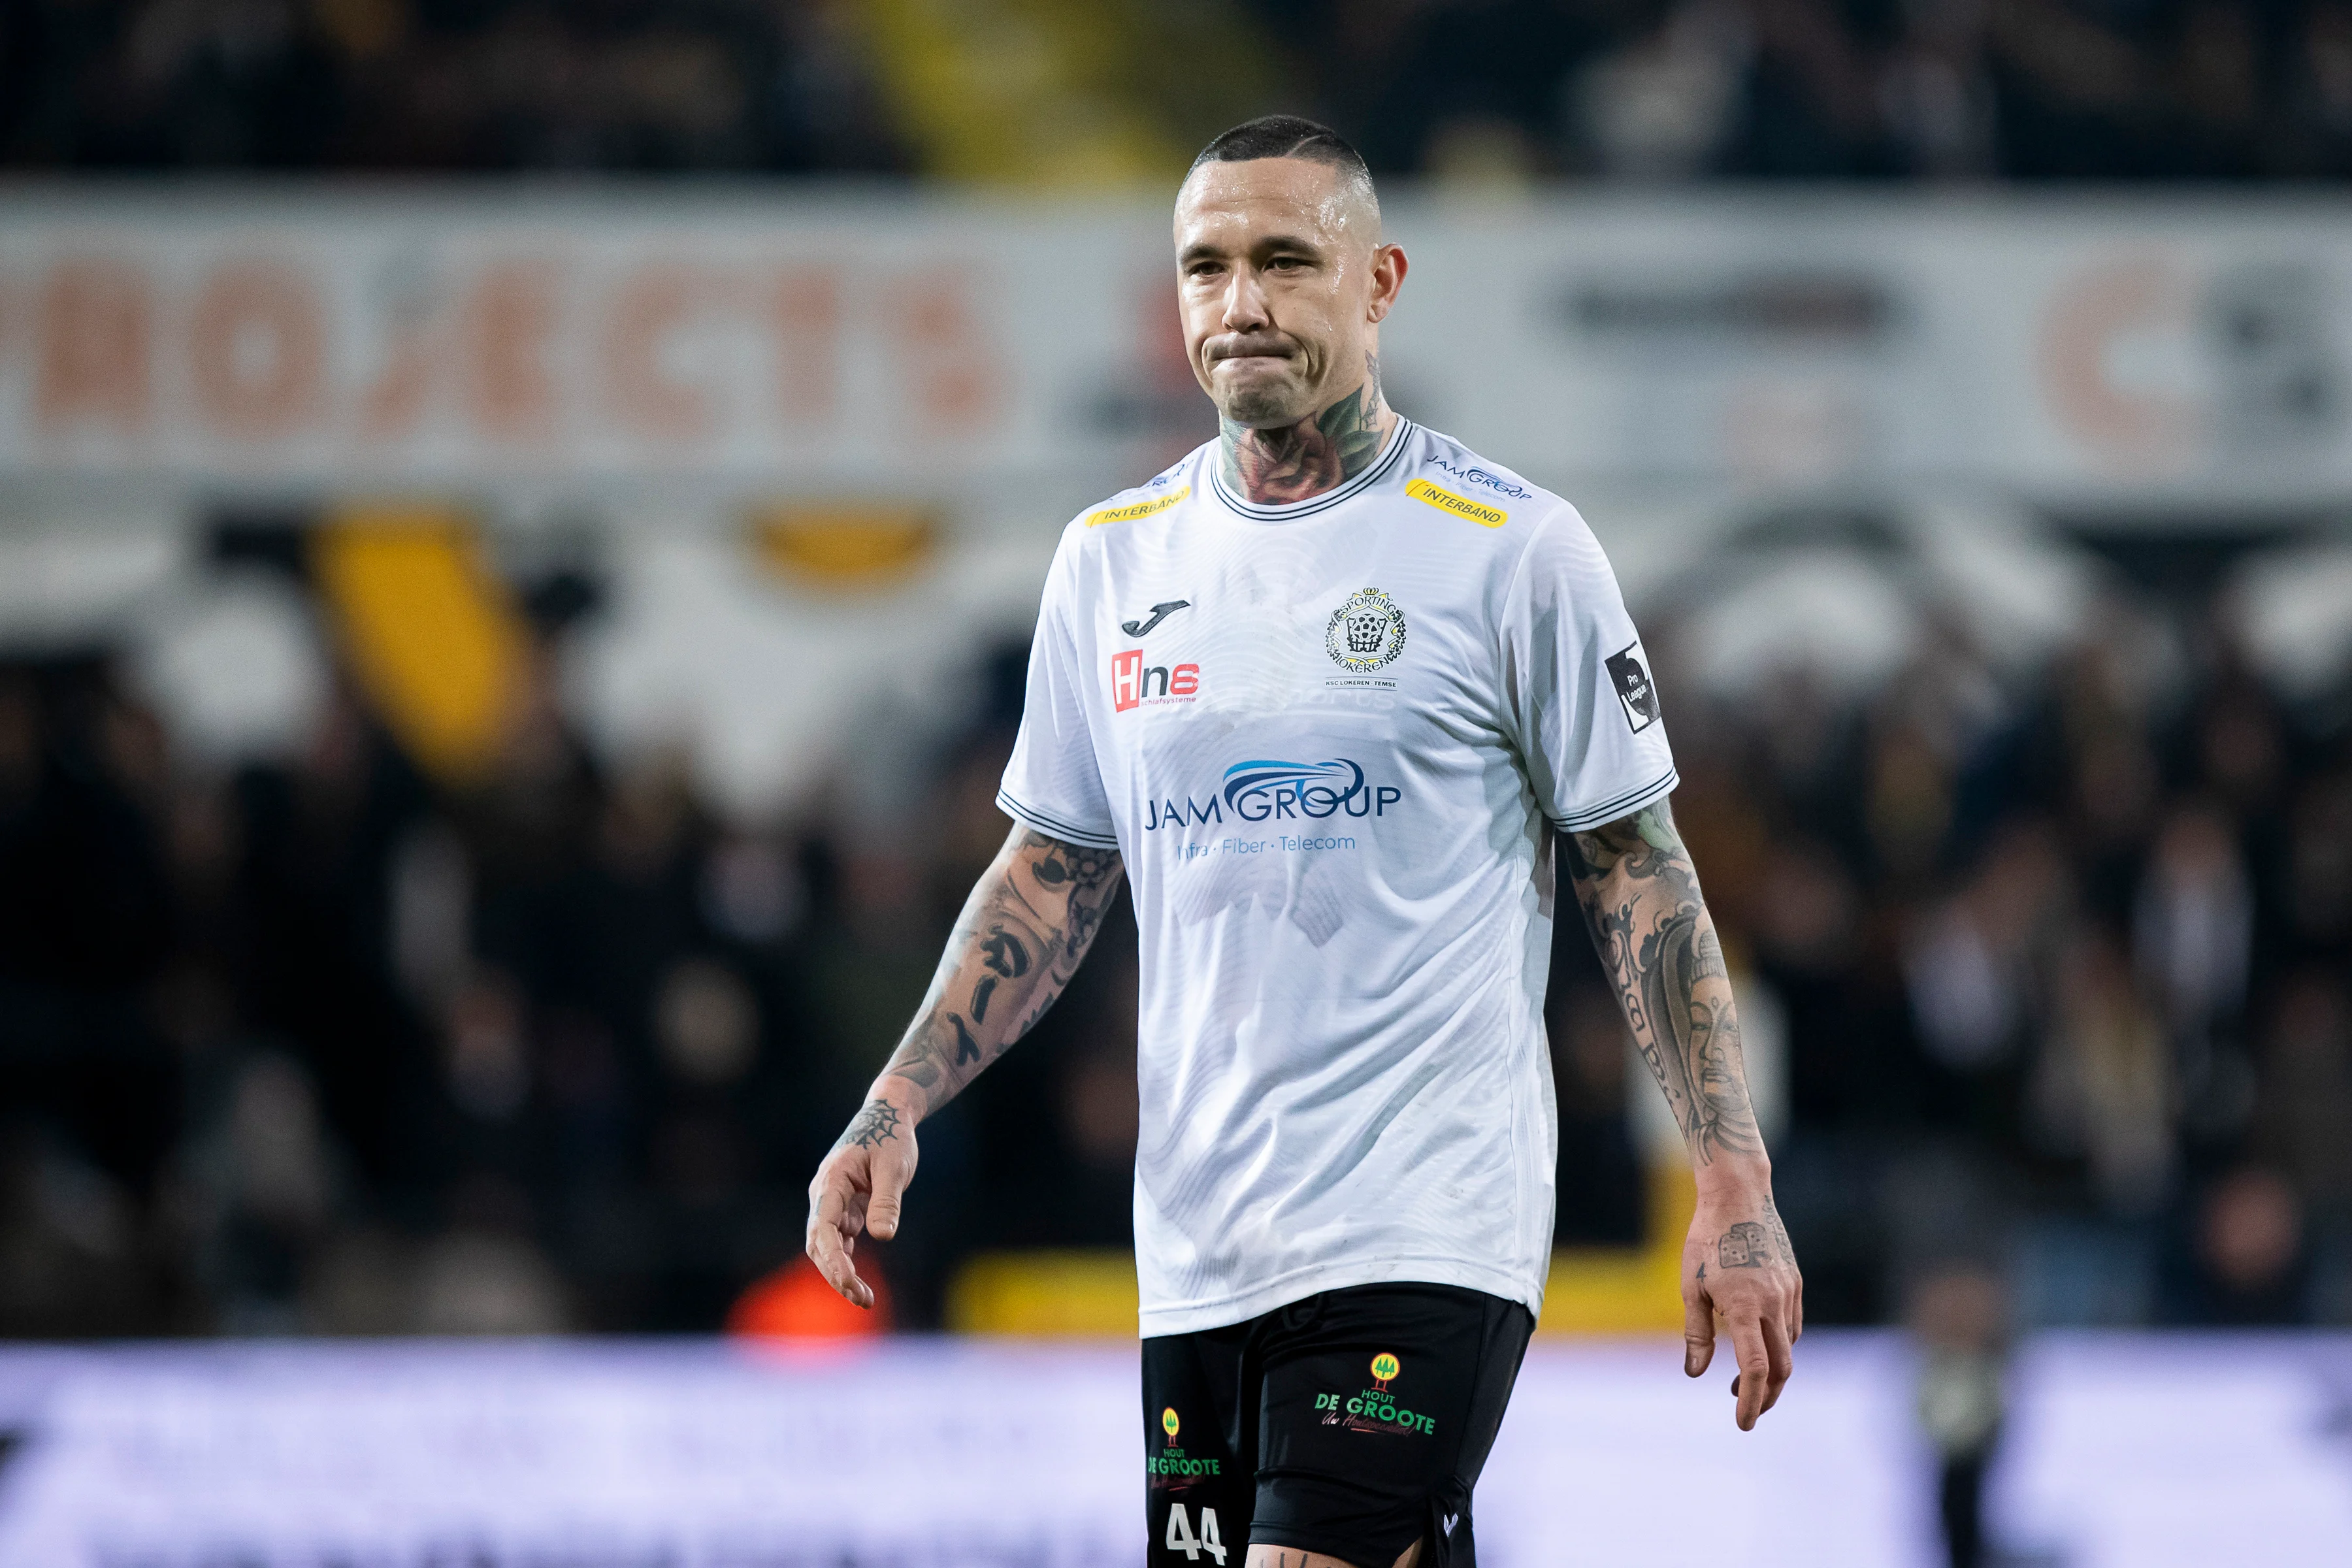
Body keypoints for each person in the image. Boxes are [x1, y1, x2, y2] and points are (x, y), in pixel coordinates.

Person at [806, 115, 1803, 1568]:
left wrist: (1734, 1183)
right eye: (1205, 268)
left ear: (1379, 282)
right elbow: (1049, 873)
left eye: (1286, 260)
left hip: (1425, 1224)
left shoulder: (1508, 551)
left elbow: (1637, 872)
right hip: (1203, 1248)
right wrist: (895, 1100)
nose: (1242, 304)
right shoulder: (1112, 562)